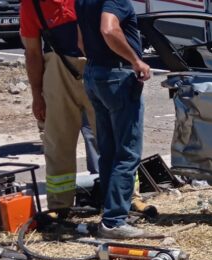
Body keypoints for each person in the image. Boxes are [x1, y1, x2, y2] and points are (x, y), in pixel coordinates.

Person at [75, 0, 152, 238]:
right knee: (127, 152)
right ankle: (114, 220)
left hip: (94, 74)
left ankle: (111, 211)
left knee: (108, 151)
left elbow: (80, 40)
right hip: (117, 77)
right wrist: (135, 60)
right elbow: (108, 29)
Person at [20, 0, 97, 215]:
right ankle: (60, 206)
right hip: (58, 70)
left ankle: (125, 197)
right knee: (58, 143)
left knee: (111, 136)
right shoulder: (31, 5)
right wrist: (37, 95)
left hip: (97, 66)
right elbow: (32, 53)